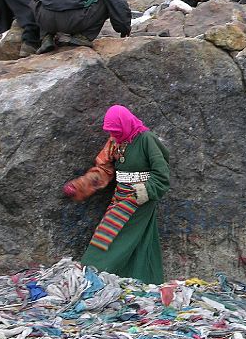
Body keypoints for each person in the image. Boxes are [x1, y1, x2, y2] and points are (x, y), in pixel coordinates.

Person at [63, 105, 170, 284]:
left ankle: (93, 270)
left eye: (117, 131)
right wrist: (81, 185)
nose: (114, 135)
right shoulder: (115, 142)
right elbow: (103, 169)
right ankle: (140, 279)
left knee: (111, 232)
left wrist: (146, 190)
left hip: (140, 197)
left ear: (125, 123)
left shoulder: (147, 140)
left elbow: (162, 171)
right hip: (121, 194)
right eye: (111, 132)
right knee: (138, 238)